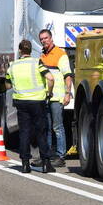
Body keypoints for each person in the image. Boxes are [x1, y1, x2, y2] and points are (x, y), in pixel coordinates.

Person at [5, 39, 55, 174]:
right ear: (31, 50)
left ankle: (25, 164)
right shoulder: (37, 63)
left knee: (24, 132)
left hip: (21, 102)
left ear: (20, 51)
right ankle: (46, 164)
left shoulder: (12, 66)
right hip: (38, 102)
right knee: (41, 132)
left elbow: (8, 85)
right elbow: (50, 78)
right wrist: (48, 93)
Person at [35, 28, 73, 168]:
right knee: (47, 128)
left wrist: (67, 94)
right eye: (41, 39)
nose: (44, 41)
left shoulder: (60, 54)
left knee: (57, 127)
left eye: (45, 38)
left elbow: (67, 76)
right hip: (46, 97)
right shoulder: (42, 55)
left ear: (51, 38)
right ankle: (47, 155)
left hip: (57, 97)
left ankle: (60, 155)